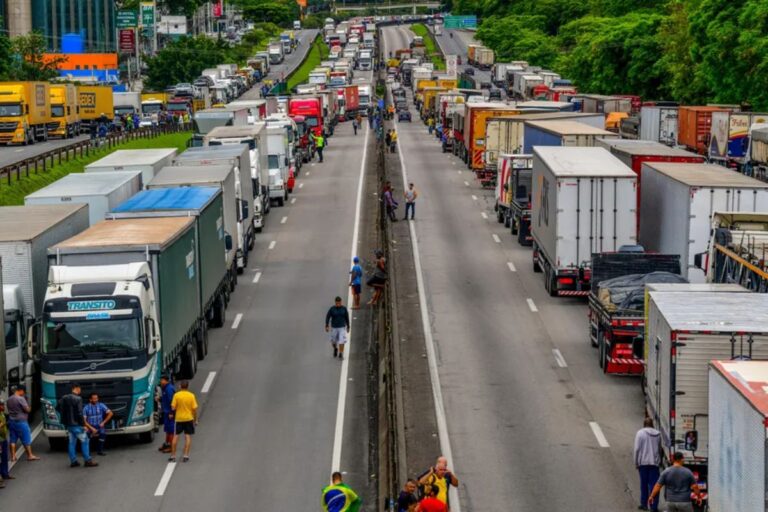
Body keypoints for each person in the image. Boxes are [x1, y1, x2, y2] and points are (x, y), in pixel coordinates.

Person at [57, 382, 98, 467]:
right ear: (77, 388)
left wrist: (65, 417)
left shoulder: (64, 397)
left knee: (72, 443)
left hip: (69, 425)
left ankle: (73, 461)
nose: (80, 391)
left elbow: (57, 408)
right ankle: (88, 460)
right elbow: (80, 413)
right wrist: (83, 425)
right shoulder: (78, 399)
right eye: (80, 389)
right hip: (77, 425)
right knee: (85, 440)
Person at [634, 418, 662, 511]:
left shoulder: (640, 433)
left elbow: (637, 449)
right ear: (652, 424)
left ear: (644, 424)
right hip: (654, 464)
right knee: (654, 486)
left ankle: (644, 504)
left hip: (643, 463)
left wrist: (636, 462)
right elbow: (659, 449)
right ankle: (654, 507)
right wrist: (659, 461)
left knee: (644, 484)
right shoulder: (658, 434)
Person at [6, 385, 39, 462]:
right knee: (26, 438)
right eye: (23, 392)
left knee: (13, 439)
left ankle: (13, 456)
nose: (23, 393)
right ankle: (30, 455)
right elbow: (27, 410)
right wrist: (29, 406)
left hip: (11, 421)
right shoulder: (21, 398)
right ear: (21, 390)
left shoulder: (9, 399)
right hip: (21, 421)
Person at [169, 380, 198, 463]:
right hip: (189, 418)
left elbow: (173, 408)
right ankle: (186, 455)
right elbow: (194, 409)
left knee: (176, 436)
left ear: (180, 386)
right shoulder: (191, 396)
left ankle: (173, 456)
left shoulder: (176, 395)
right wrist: (195, 420)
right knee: (187, 436)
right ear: (187, 387)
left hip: (179, 419)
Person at [158, 375, 176, 453]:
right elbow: (166, 399)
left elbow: (172, 401)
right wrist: (160, 399)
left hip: (169, 413)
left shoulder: (169, 389)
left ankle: (171, 447)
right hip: (166, 412)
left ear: (166, 380)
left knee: (171, 430)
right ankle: (167, 443)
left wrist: (171, 413)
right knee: (167, 430)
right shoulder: (165, 388)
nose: (160, 382)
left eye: (162, 380)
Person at [0, 399, 11, 486]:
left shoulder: (2, 414)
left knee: (5, 457)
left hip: (3, 438)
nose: (3, 407)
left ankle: (5, 474)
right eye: (1, 405)